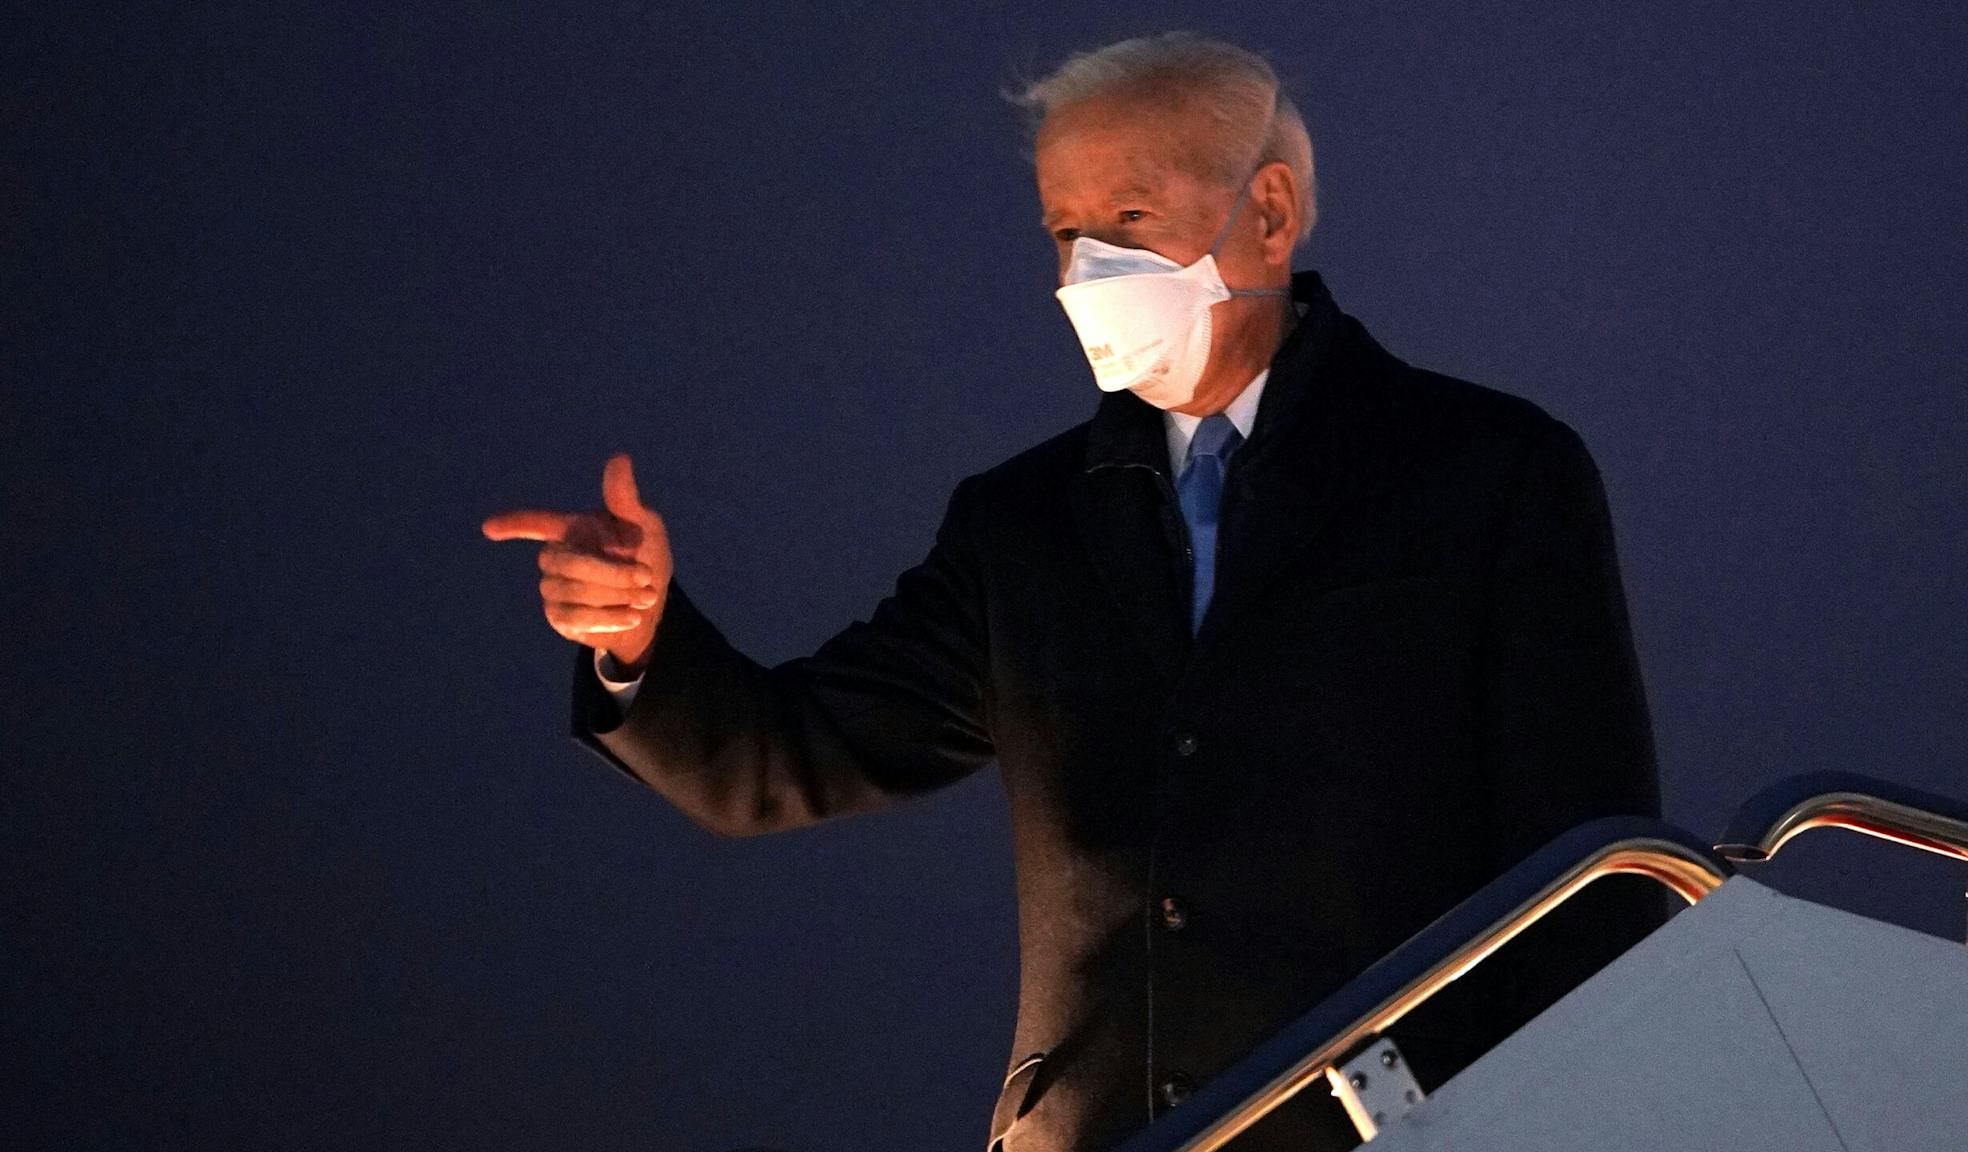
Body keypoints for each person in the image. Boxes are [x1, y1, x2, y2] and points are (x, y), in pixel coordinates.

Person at [484, 31, 1664, 1152]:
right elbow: (785, 755)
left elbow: (1588, 866)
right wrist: (639, 637)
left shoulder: (1484, 473)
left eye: (1127, 219)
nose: (1085, 266)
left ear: (1267, 214)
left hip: (1397, 1125)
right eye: (1063, 229)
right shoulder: (1025, 526)